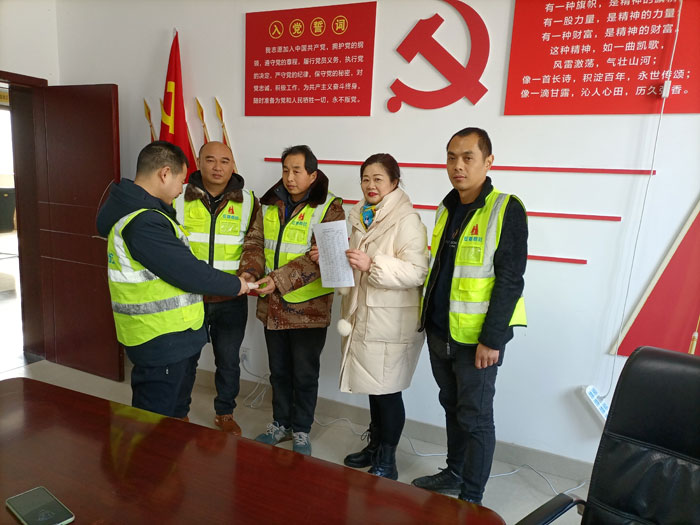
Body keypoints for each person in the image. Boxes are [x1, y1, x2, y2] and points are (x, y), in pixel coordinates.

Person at [411, 127, 527, 504]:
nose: (457, 166)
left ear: (488, 161)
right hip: (440, 331)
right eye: (451, 157)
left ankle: (471, 498)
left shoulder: (505, 208)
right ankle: (455, 472)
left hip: (477, 340)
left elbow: (510, 280)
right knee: (452, 407)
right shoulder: (446, 207)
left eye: (467, 157)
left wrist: (492, 339)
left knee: (476, 418)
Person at [97, 141, 249, 419]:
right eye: (180, 180)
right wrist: (238, 285)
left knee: (173, 416)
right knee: (155, 423)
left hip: (172, 334)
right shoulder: (143, 222)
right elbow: (188, 272)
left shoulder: (145, 212)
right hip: (159, 337)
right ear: (165, 174)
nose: (181, 189)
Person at [311, 153, 428, 479]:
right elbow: (355, 261)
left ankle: (387, 459)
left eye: (378, 179)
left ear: (394, 181)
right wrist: (330, 256)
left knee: (387, 392)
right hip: (365, 316)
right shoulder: (361, 215)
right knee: (374, 389)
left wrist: (372, 264)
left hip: (391, 322)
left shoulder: (407, 220)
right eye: (365, 179)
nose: (370, 185)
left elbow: (417, 272)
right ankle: (375, 446)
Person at [239, 145, 345, 456]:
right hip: (272, 306)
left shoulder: (329, 207)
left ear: (313, 175)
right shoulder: (269, 203)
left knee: (304, 374)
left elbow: (322, 258)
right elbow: (255, 242)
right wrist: (249, 271)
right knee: (279, 371)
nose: (289, 177)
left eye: (297, 171)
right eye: (285, 170)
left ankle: (301, 430)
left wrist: (278, 279)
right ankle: (280, 423)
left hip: (308, 310)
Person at [173, 141, 260, 435]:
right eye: (210, 160)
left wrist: (249, 273)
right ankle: (179, 412)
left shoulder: (248, 201)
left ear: (233, 165)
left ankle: (225, 413)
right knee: (185, 360)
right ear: (198, 162)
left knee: (228, 361)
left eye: (225, 161)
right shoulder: (178, 196)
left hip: (231, 296)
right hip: (189, 296)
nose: (218, 167)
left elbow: (254, 244)